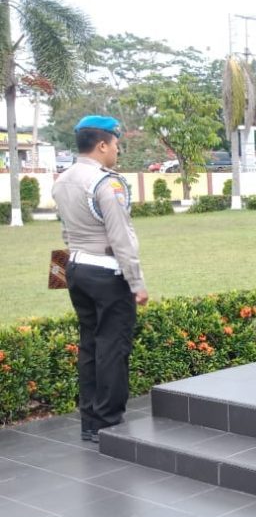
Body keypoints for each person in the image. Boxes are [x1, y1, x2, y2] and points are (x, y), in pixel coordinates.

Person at [52, 116, 147, 443]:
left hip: (76, 270)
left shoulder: (62, 180)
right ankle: (108, 422)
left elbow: (65, 233)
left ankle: (90, 422)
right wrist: (137, 283)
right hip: (107, 273)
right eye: (116, 144)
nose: (117, 151)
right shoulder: (107, 183)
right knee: (112, 346)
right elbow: (121, 237)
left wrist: (61, 272)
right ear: (102, 144)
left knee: (90, 345)